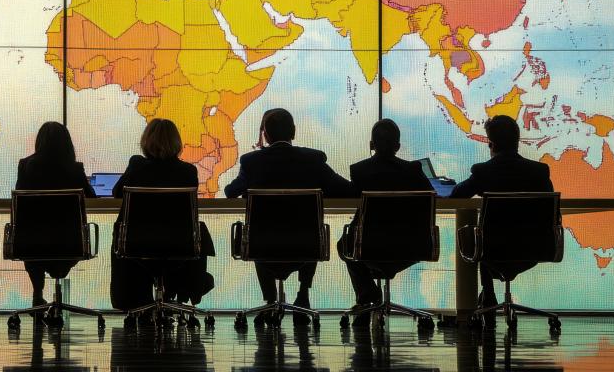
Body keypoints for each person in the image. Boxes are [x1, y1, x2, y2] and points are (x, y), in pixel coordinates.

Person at [224, 108, 353, 326]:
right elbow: (347, 191)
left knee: (257, 229)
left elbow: (229, 192)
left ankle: (270, 298)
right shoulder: (313, 160)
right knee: (311, 227)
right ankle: (303, 294)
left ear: (265, 135)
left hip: (262, 246)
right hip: (305, 246)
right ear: (293, 131)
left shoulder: (252, 162)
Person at [451, 115, 554, 328]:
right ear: (517, 141)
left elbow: (456, 195)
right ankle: (487, 295)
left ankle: (488, 295)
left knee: (482, 235)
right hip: (534, 247)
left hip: (493, 248)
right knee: (488, 235)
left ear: (491, 143)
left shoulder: (483, 172)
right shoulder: (539, 172)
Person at [110, 118, 215, 313]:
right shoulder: (188, 172)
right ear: (176, 142)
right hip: (178, 245)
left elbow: (116, 192)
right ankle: (178, 291)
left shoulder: (137, 166)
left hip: (138, 244)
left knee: (120, 232)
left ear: (146, 141)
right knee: (199, 231)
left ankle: (136, 300)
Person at [340, 119, 432, 327]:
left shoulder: (360, 171)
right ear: (397, 146)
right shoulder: (414, 170)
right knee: (350, 243)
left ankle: (367, 298)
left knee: (345, 244)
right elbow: (432, 197)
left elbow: (353, 198)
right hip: (410, 246)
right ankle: (369, 297)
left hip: (369, 245)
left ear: (371, 145)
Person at [15, 122, 96, 307]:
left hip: (32, 243)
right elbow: (91, 197)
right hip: (70, 243)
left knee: (33, 239)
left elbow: (20, 199)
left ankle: (37, 293)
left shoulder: (25, 166)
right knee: (49, 244)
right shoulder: (75, 169)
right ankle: (52, 287)